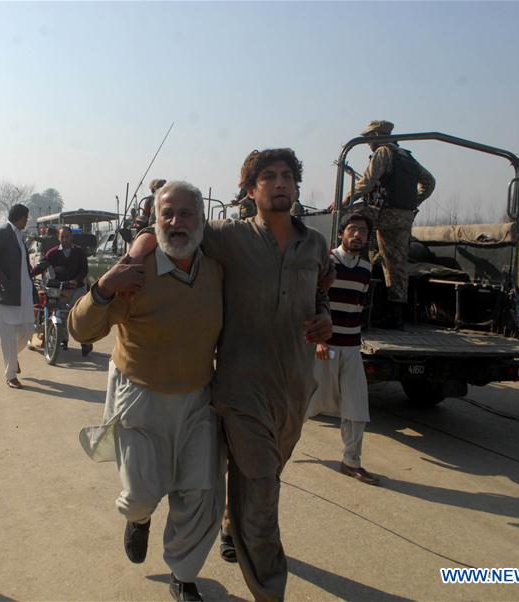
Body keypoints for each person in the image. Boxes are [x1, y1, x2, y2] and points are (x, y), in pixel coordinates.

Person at [128, 149, 333, 602]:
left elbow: (323, 288)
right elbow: (173, 228)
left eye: (287, 177)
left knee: (257, 482)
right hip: (241, 390)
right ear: (251, 189)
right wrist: (139, 246)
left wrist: (325, 318)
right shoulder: (227, 237)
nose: (280, 183)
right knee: (261, 492)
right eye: (269, 177)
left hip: (295, 390)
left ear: (296, 187)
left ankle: (229, 527)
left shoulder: (314, 244)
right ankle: (269, 590)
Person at [70, 181, 225, 602]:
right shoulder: (134, 274)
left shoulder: (217, 269)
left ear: (202, 219)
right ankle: (138, 521)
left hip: (198, 400)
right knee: (140, 494)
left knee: (199, 492)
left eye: (186, 213)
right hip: (140, 396)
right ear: (154, 221)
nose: (176, 223)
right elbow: (80, 329)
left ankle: (183, 573)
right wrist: (102, 289)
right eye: (167, 214)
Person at [336, 120, 436, 329]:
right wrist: (412, 203)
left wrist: (343, 201)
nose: (368, 144)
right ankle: (395, 315)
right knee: (397, 264)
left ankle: (350, 262)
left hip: (383, 213)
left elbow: (368, 182)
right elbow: (429, 182)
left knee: (352, 219)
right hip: (404, 217)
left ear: (377, 136)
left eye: (369, 139)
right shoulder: (406, 156)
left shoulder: (383, 152)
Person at [306, 212, 380, 486]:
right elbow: (314, 301)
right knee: (306, 403)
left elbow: (357, 308)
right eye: (353, 229)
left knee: (356, 406)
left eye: (363, 231)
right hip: (325, 347)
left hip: (351, 348)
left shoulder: (366, 269)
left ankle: (351, 462)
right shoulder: (327, 262)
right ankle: (276, 450)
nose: (358, 235)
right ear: (341, 233)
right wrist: (319, 342)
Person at [0, 204, 37, 389]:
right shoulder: (3, 232)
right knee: (8, 337)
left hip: (23, 294)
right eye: (26, 218)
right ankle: (10, 375)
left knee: (28, 329)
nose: (27, 221)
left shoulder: (19, 236)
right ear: (20, 217)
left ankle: (12, 357)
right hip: (6, 296)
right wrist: (2, 281)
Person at [32, 226, 93, 355]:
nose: (65, 239)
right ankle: (63, 340)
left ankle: (85, 342)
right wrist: (29, 274)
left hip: (77, 288)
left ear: (71, 237)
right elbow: (43, 264)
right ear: (58, 238)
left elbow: (84, 270)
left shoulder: (79, 252)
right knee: (60, 314)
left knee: (79, 316)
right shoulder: (53, 252)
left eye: (67, 237)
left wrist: (76, 280)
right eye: (62, 237)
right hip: (60, 288)